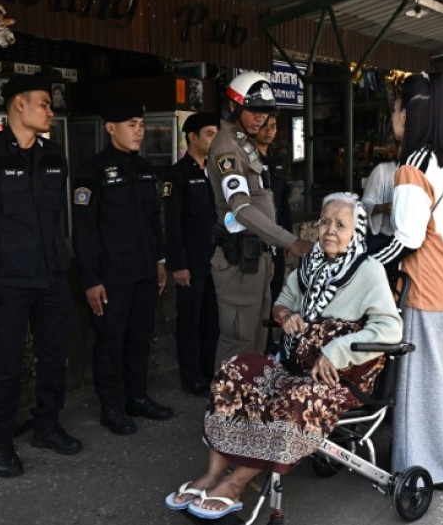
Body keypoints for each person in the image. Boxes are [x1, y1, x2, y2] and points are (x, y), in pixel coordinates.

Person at [164, 193, 402, 520]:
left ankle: (235, 483)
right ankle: (214, 473)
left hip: (339, 377)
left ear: (356, 231)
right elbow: (282, 302)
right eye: (325, 222)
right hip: (294, 364)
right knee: (233, 372)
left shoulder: (368, 270)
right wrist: (286, 315)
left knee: (293, 398)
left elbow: (390, 328)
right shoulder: (310, 263)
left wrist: (336, 350)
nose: (330, 230)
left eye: (340, 225)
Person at [0, 73, 81, 478]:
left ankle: (47, 426)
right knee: (5, 363)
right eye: (44, 103)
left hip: (52, 274)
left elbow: (56, 216)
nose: (50, 110)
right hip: (8, 279)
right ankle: (0, 441)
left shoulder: (54, 154)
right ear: (19, 105)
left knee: (54, 356)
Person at [371, 72, 443, 489]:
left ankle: (424, 470)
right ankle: (436, 458)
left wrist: (363, 263)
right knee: (441, 379)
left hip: (429, 286)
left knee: (421, 383)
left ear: (407, 114)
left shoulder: (413, 166)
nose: (393, 116)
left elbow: (406, 239)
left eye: (395, 108)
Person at [72, 99, 173, 435]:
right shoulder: (92, 171)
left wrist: (159, 260)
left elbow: (153, 220)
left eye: (141, 125)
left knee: (141, 338)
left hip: (143, 270)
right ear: (110, 128)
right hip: (112, 274)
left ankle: (137, 398)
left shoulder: (144, 168)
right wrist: (90, 279)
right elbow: (84, 229)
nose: (139, 131)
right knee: (110, 342)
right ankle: (111, 407)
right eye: (132, 125)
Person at [207, 72, 313, 362]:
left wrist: (269, 253)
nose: (260, 119)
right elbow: (241, 208)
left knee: (256, 340)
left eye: (265, 112)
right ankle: (226, 394)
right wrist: (291, 242)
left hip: (256, 258)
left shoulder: (244, 142)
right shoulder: (228, 147)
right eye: (253, 111)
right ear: (234, 107)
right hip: (238, 261)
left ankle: (248, 393)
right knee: (238, 345)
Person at [162, 112, 221, 397]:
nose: (214, 139)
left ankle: (210, 372)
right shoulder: (177, 174)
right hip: (191, 263)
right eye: (209, 134)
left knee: (212, 321)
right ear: (192, 137)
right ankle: (192, 377)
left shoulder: (216, 171)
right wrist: (178, 265)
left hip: (215, 261)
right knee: (190, 322)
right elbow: (172, 223)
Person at [254, 113, 293, 305]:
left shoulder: (275, 161)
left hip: (276, 237)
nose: (269, 131)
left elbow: (283, 202)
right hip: (255, 237)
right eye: (265, 126)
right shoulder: (246, 160)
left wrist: (288, 237)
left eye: (273, 126)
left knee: (276, 289)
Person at [360, 155, 398, 256]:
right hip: (381, 237)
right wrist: (382, 208)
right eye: (399, 146)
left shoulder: (422, 172)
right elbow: (365, 203)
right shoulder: (382, 170)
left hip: (409, 240)